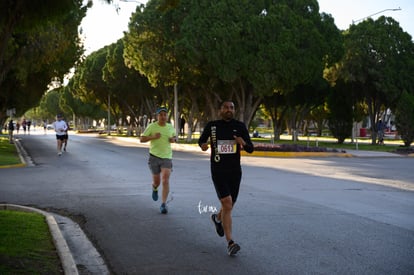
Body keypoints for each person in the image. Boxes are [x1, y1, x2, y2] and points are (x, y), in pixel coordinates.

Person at [198, 100, 254, 256]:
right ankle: (230, 242)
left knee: (229, 205)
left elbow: (251, 149)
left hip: (235, 171)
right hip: (218, 170)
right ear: (220, 110)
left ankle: (217, 218)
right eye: (226, 107)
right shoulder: (212, 126)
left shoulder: (240, 126)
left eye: (232, 108)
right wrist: (203, 145)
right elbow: (201, 140)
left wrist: (243, 143)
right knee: (227, 203)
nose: (229, 110)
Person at [140, 107, 177, 214]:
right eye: (161, 115)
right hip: (154, 157)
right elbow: (142, 139)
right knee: (157, 182)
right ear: (157, 116)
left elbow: (174, 138)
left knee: (165, 180)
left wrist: (173, 140)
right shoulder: (152, 126)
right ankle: (154, 188)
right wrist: (152, 137)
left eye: (165, 115)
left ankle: (163, 204)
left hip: (167, 157)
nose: (163, 117)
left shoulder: (170, 127)